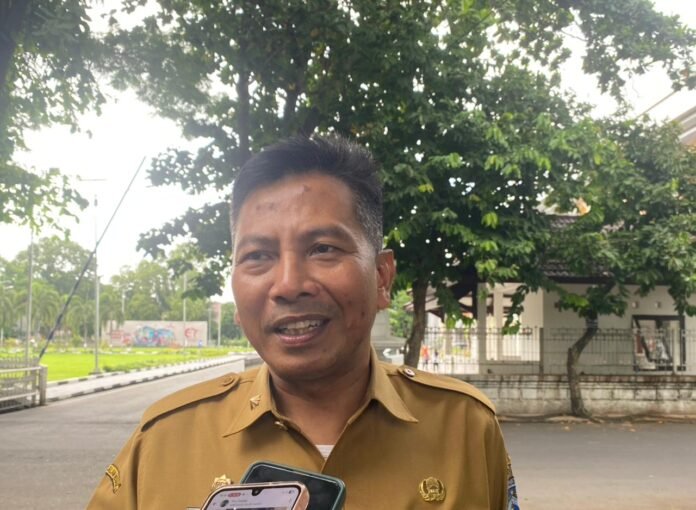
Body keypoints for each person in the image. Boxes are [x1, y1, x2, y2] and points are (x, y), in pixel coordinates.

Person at [87, 136, 519, 509]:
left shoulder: (465, 427)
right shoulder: (164, 440)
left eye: (323, 248)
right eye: (258, 256)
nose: (289, 285)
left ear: (382, 277)